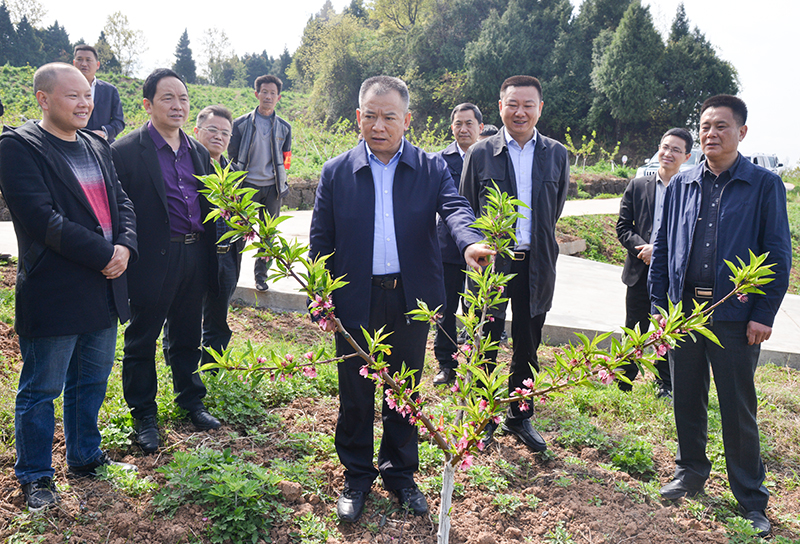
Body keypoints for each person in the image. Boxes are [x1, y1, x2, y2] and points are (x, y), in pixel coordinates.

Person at [309, 75, 493, 523]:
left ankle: (400, 474)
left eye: (389, 116)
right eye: (370, 115)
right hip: (354, 299)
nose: (378, 125)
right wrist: (321, 300)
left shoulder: (431, 168)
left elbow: (454, 208)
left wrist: (469, 242)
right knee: (355, 392)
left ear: (406, 120)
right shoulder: (337, 171)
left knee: (404, 390)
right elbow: (320, 241)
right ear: (358, 117)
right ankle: (356, 474)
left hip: (411, 299)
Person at [650, 95, 791, 538]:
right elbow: (662, 253)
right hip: (684, 313)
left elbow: (777, 255)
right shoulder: (681, 185)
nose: (712, 133)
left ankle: (751, 498)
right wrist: (660, 312)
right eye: (706, 126)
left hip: (735, 318)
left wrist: (763, 313)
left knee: (737, 407)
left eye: (722, 127)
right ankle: (691, 471)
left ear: (742, 132)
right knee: (685, 397)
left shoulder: (764, 186)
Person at [0, 63, 138, 511]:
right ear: (43, 98)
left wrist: (126, 247)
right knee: (42, 388)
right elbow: (42, 221)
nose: (85, 104)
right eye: (73, 96)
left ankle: (84, 455)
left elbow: (122, 202)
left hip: (104, 288)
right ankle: (36, 475)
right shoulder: (20, 147)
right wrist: (106, 254)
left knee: (92, 380)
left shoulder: (97, 143)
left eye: (88, 95)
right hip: (56, 289)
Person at [111, 69, 221, 454]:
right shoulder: (125, 152)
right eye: (168, 98)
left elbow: (209, 203)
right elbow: (116, 211)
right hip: (153, 257)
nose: (178, 106)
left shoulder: (196, 151)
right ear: (148, 104)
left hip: (194, 252)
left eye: (184, 99)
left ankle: (190, 400)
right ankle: (144, 414)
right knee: (142, 338)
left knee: (188, 333)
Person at [461, 75, 569, 452]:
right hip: (492, 264)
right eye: (512, 104)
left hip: (536, 263)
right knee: (484, 340)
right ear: (501, 106)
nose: (519, 112)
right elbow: (466, 208)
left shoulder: (556, 153)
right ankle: (482, 416)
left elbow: (554, 209)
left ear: (540, 108)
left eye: (528, 105)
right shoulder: (480, 153)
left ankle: (519, 416)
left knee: (528, 341)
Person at [615, 128, 693, 398]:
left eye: (675, 150)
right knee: (634, 327)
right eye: (664, 147)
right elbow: (623, 226)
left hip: (672, 275)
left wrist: (659, 251)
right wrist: (643, 249)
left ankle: (665, 383)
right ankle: (624, 379)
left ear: (687, 156)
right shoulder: (638, 185)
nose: (668, 153)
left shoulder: (691, 190)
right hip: (639, 270)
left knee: (666, 331)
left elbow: (690, 234)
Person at [433, 103, 484, 385]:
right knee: (445, 307)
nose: (463, 129)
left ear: (480, 126)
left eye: (468, 123)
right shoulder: (438, 160)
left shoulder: (489, 158)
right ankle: (446, 364)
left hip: (484, 249)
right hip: (447, 246)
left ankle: (475, 364)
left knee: (476, 308)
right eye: (457, 124)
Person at [228, 74, 292, 292]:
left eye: (273, 93)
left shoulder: (285, 127)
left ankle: (261, 278)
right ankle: (231, 276)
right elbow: (232, 157)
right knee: (239, 232)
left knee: (267, 235)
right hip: (247, 186)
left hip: (272, 188)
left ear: (279, 97)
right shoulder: (240, 124)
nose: (268, 96)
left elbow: (286, 159)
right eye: (264, 92)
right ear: (256, 94)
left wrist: (281, 181)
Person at [192, 105, 243, 366]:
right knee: (185, 315)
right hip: (198, 256)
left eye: (225, 133)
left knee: (218, 317)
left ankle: (214, 367)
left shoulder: (232, 173)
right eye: (212, 130)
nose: (219, 136)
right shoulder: (187, 167)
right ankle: (180, 366)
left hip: (227, 257)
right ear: (196, 130)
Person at [72, 45, 125, 143]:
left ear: (97, 65)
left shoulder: (110, 90)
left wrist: (104, 133)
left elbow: (119, 122)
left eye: (88, 60)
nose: (84, 64)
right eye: (80, 59)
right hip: (72, 144)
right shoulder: (65, 89)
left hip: (102, 145)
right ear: (74, 63)